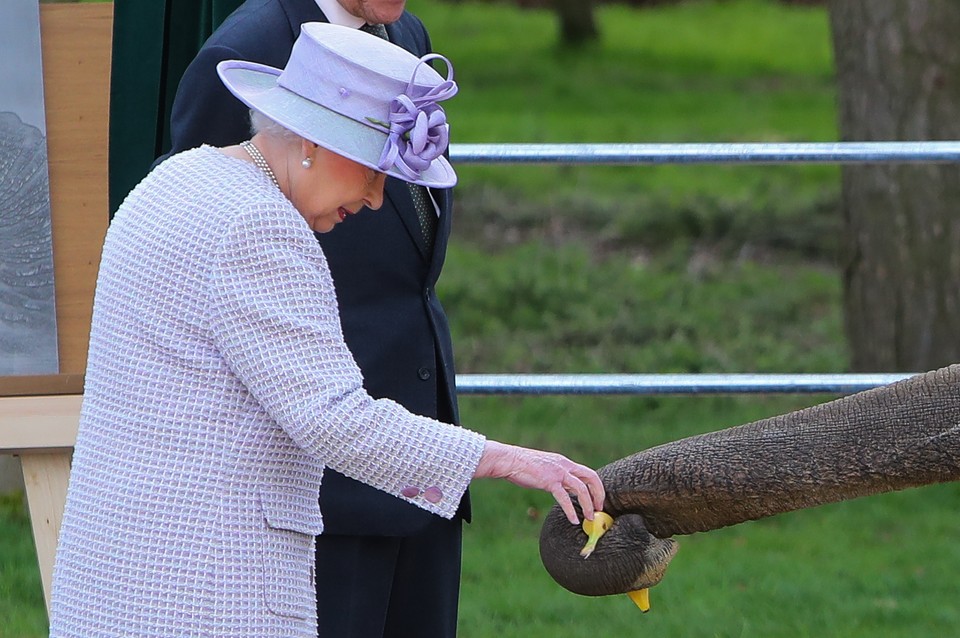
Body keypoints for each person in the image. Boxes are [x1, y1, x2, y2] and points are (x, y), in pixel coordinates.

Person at [48, 24, 604, 637]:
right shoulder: (261, 225)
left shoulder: (173, 181)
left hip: (113, 575)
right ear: (311, 142)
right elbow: (335, 420)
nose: (375, 198)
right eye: (373, 171)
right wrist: (503, 458)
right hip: (207, 593)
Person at [164, 1, 480, 635]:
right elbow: (194, 239)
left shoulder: (404, 32)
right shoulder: (241, 50)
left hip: (422, 453)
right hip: (316, 489)